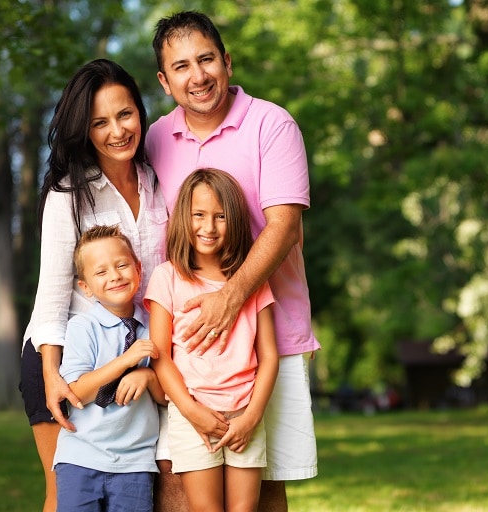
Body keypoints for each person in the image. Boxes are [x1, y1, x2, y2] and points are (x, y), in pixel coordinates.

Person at [148, 11, 320, 511]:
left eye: (205, 59)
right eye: (180, 66)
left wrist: (230, 297)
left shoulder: (271, 123)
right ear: (164, 81)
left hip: (270, 338)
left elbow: (285, 226)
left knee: (265, 486)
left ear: (226, 60)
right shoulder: (156, 137)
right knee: (178, 484)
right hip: (187, 353)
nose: (196, 76)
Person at [19, 59, 168, 512]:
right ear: (84, 130)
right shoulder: (69, 194)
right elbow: (52, 295)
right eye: (99, 122)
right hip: (67, 359)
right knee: (65, 497)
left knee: (138, 495)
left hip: (142, 350)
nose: (117, 131)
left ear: (140, 113)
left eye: (125, 114)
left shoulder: (160, 181)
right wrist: (52, 377)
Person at [145, 168, 279, 511]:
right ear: (183, 219)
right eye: (199, 215)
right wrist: (191, 411)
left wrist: (250, 417)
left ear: (233, 220)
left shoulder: (251, 282)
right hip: (193, 417)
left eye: (220, 217)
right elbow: (160, 357)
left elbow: (269, 357)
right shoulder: (167, 278)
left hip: (244, 414)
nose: (209, 227)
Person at [54, 225, 167, 511]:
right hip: (80, 456)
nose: (115, 276)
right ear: (86, 287)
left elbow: (166, 398)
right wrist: (125, 362)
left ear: (138, 269)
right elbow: (76, 392)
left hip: (135, 461)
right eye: (101, 272)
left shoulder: (156, 325)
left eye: (122, 265)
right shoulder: (83, 327)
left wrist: (148, 374)